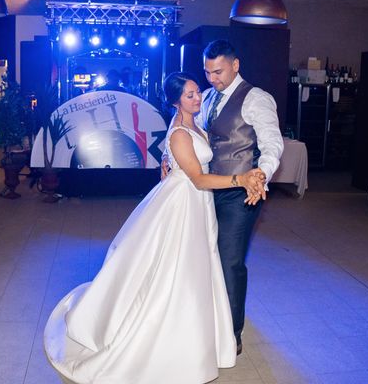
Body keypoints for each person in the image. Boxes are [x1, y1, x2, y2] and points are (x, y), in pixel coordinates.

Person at [44, 72, 266, 384]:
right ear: (176, 101)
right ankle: (167, 337)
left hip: (196, 202)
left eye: (195, 92)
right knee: (177, 270)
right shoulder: (179, 133)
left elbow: (182, 162)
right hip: (184, 203)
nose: (196, 97)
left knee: (197, 267)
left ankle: (197, 334)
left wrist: (167, 162)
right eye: (189, 95)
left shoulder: (193, 122)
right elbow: (199, 178)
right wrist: (240, 179)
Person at [195, 39, 283, 355]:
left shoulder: (256, 98)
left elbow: (273, 143)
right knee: (206, 254)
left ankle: (231, 334)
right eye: (207, 72)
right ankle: (209, 316)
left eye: (218, 71)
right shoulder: (206, 97)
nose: (212, 78)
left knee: (230, 260)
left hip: (241, 192)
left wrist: (262, 173)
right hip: (207, 188)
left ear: (235, 65)